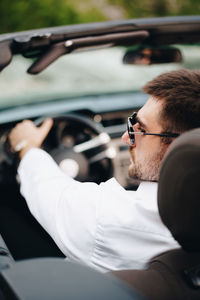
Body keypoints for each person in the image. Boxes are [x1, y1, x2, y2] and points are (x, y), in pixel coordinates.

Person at [8, 69, 200, 273]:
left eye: (140, 129)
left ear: (179, 147)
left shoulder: (114, 220)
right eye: (131, 122)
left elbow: (47, 190)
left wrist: (26, 146)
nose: (126, 138)